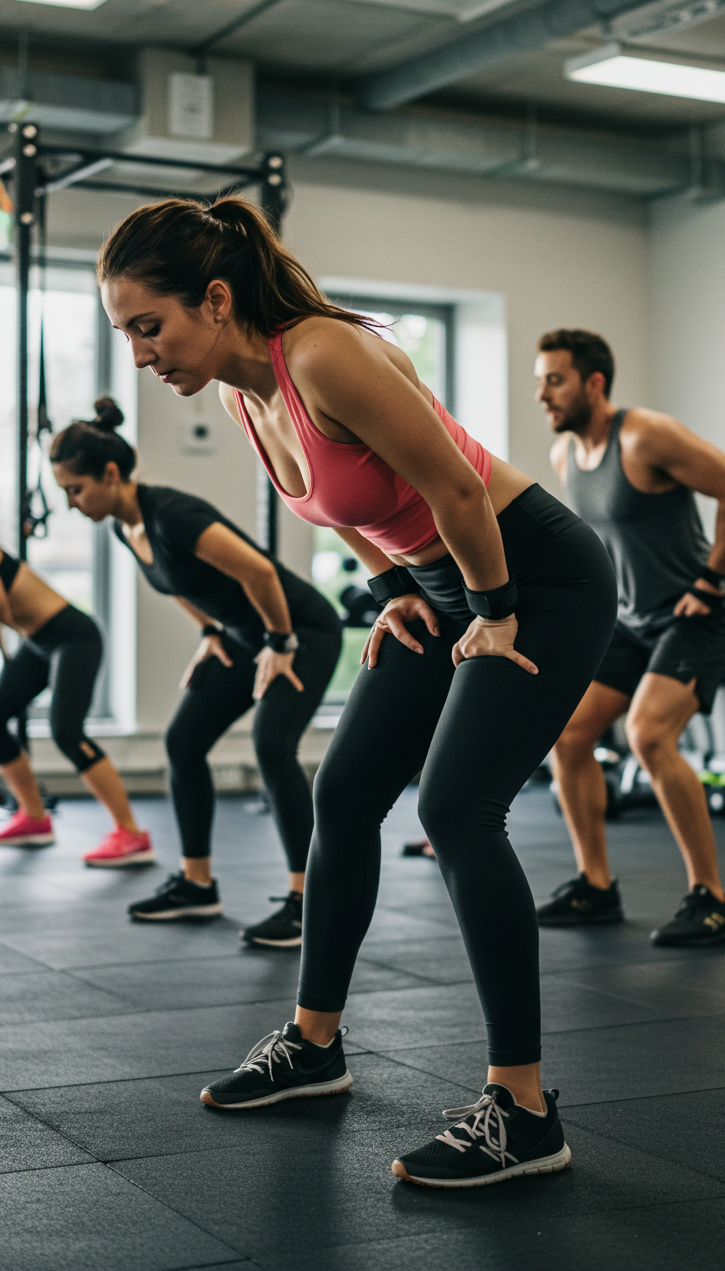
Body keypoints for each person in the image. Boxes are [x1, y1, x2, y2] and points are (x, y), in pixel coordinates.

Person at [95, 193, 617, 1191]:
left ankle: (525, 1107)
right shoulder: (245, 394)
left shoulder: (323, 353)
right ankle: (315, 1042)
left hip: (535, 574)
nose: (140, 354)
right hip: (444, 581)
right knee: (344, 794)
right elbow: (339, 502)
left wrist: (494, 609)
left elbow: (457, 489)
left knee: (459, 808)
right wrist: (391, 591)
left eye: (147, 326)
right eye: (124, 333)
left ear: (212, 298)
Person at [50, 399, 342, 944]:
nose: (71, 503)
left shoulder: (173, 515)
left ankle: (308, 902)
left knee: (271, 744)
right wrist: (210, 633)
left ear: (110, 474)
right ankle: (197, 884)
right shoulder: (124, 526)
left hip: (300, 627)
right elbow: (176, 582)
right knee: (184, 741)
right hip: (242, 636)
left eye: (75, 489)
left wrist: (280, 642)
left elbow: (258, 571)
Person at [534, 328, 725, 946]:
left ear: (594, 383)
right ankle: (595, 886)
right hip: (629, 622)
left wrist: (711, 580)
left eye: (554, 380)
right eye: (540, 380)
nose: (542, 395)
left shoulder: (645, 435)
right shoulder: (565, 458)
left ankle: (712, 900)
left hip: (694, 617)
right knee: (569, 733)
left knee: (648, 735)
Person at [0, 546, 153, 865]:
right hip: (38, 642)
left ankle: (132, 834)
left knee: (67, 732)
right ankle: (34, 818)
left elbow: (3, 607)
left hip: (74, 637)